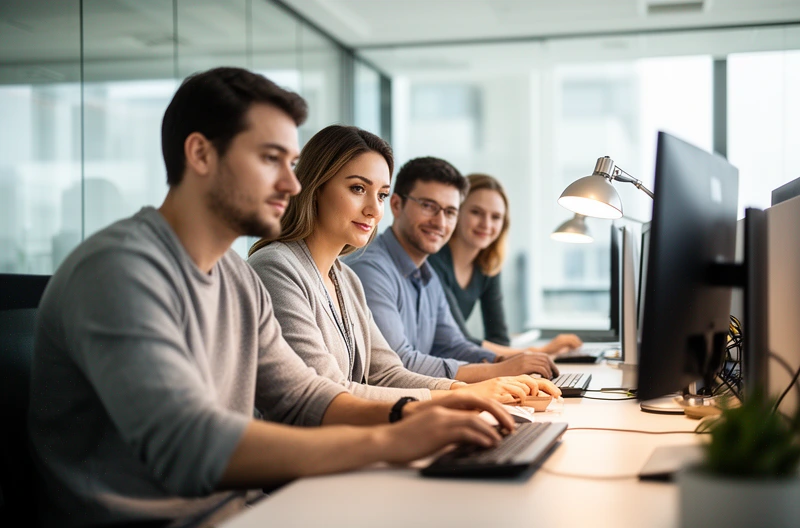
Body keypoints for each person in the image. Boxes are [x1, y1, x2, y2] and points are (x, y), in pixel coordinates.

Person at [27, 68, 514, 528]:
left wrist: (414, 411)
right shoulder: (120, 269)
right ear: (199, 154)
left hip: (239, 507)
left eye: (292, 163)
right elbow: (187, 444)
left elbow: (301, 395)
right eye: (269, 159)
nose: (291, 183)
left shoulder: (236, 278)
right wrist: (390, 438)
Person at [247, 125, 559, 405]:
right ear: (315, 187)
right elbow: (329, 392)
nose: (373, 209)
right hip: (302, 460)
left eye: (380, 194)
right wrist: (462, 393)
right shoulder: (278, 267)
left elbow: (387, 373)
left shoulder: (346, 280)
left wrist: (462, 390)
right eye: (358, 188)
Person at [345, 157, 573, 383]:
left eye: (450, 212)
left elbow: (452, 345)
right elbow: (399, 363)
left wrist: (503, 361)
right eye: (428, 206)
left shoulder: (427, 275)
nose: (440, 222)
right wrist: (499, 370)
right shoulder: (370, 269)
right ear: (396, 205)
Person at [428, 173, 582, 355]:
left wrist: (520, 362)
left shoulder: (488, 265)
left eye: (495, 217)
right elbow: (460, 339)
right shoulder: (433, 260)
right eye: (476, 212)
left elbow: (498, 338)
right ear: (456, 212)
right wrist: (536, 353)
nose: (486, 224)